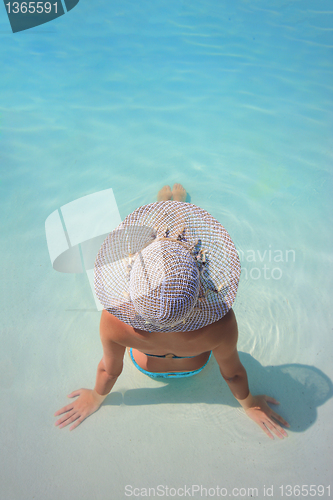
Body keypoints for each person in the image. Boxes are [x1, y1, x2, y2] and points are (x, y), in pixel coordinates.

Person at [54, 183, 290, 439]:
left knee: (156, 257)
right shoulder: (219, 323)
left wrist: (95, 398)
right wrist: (250, 405)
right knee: (181, 254)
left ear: (131, 288)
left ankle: (164, 211)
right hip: (195, 365)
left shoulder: (114, 320)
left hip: (147, 366)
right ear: (201, 293)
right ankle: (178, 208)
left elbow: (109, 371)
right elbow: (233, 374)